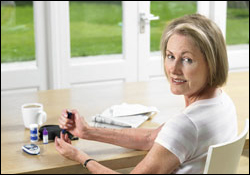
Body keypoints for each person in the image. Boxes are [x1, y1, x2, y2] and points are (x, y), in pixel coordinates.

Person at [55, 14, 238, 174]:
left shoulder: (186, 126)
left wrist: (82, 158)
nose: (173, 69)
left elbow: (176, 133)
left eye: (187, 59)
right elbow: (152, 138)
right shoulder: (222, 102)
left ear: (212, 63)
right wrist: (87, 131)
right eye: (170, 56)